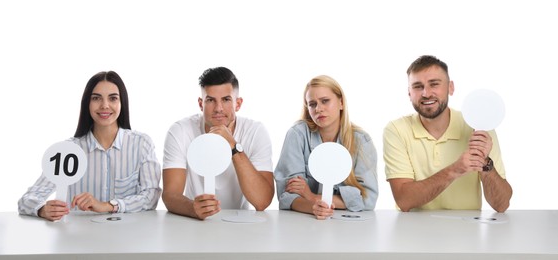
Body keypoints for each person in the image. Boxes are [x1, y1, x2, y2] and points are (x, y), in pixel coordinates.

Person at [18, 71, 162, 221]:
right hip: (78, 239)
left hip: (126, 238)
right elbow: (27, 199)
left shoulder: (141, 144)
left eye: (113, 98)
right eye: (96, 98)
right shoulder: (68, 150)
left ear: (122, 103)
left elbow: (151, 196)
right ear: (87, 103)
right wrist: (42, 209)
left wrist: (108, 205)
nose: (105, 105)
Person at [383, 55, 513, 212]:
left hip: (467, 231)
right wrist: (456, 169)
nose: (426, 93)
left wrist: (485, 163)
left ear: (450, 87)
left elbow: (501, 205)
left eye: (434, 84)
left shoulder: (479, 128)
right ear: (409, 93)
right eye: (418, 86)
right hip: (414, 231)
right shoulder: (396, 130)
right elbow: (404, 200)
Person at [162, 67, 274, 220]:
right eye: (210, 100)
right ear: (201, 104)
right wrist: (192, 208)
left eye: (226, 100)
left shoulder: (255, 131)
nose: (218, 108)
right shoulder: (180, 131)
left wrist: (233, 146)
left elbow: (262, 201)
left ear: (238, 103)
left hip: (238, 221)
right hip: (194, 222)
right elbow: (170, 195)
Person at [274, 75, 379, 220]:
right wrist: (313, 208)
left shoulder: (362, 141)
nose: (318, 109)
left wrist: (312, 197)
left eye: (325, 101)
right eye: (312, 104)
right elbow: (287, 195)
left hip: (347, 226)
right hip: (302, 223)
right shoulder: (297, 135)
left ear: (341, 103)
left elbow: (368, 199)